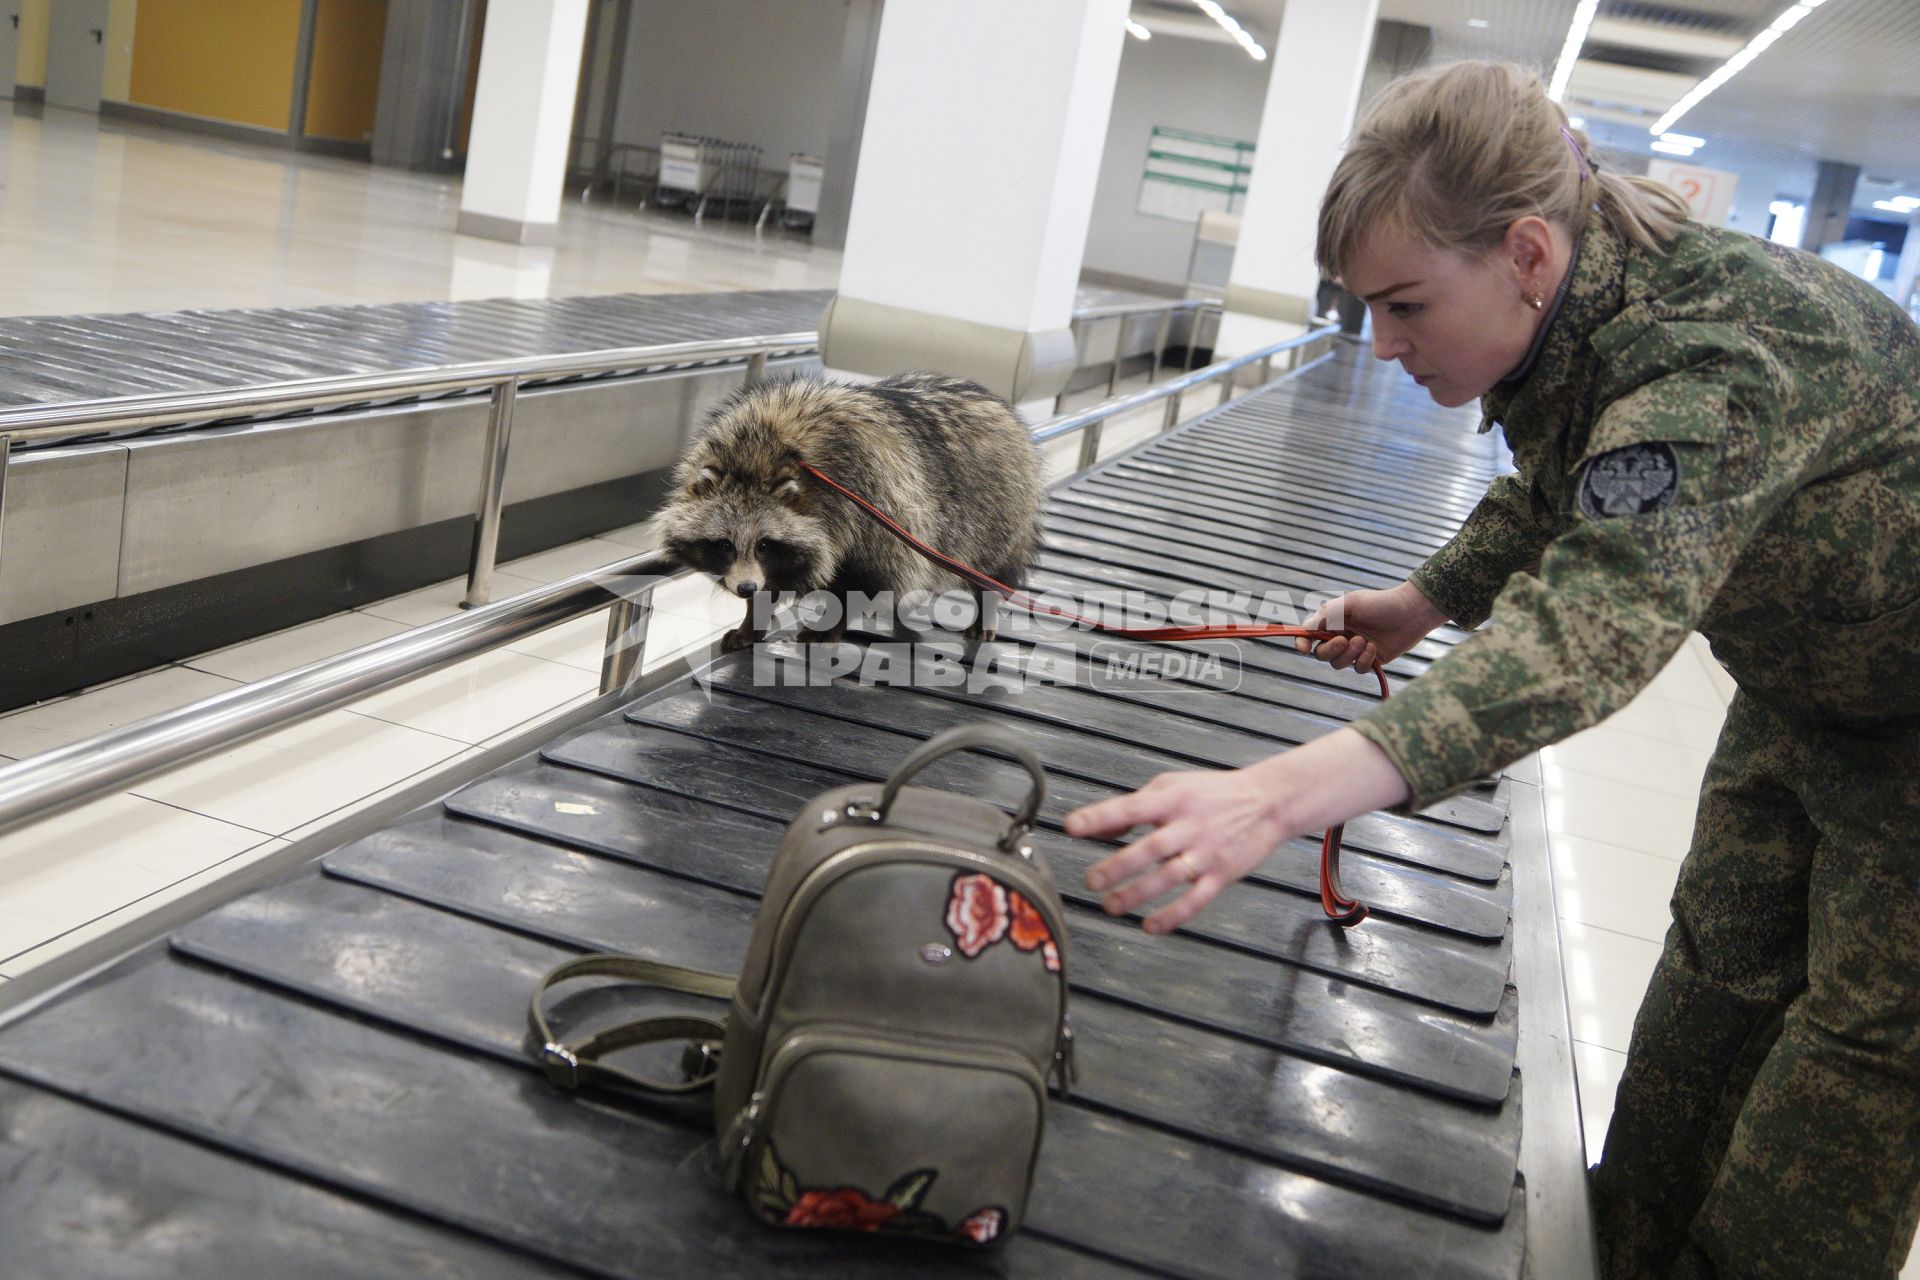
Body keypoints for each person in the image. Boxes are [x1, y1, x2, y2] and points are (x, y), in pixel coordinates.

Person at [1064, 60, 1920, 1280]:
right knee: (1714, 982)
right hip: (1807, 687)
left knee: (1853, 1066)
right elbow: (1558, 484)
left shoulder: (1712, 352)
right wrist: (1424, 600)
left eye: (1406, 304)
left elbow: (1598, 618)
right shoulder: (1580, 326)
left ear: (1523, 251)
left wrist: (1279, 791)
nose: (1382, 341)